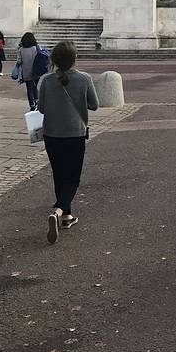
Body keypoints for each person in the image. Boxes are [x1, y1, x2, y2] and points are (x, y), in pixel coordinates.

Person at [37, 40, 99, 244]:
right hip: (75, 134)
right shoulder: (84, 78)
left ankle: (66, 217)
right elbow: (94, 105)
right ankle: (59, 210)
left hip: (52, 134)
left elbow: (41, 108)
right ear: (74, 58)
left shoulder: (46, 80)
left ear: (54, 59)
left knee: (59, 174)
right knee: (72, 178)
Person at [17, 32, 41, 109]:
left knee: (29, 88)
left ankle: (32, 105)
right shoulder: (36, 48)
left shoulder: (21, 49)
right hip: (36, 71)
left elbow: (19, 61)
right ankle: (37, 102)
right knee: (35, 86)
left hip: (26, 72)